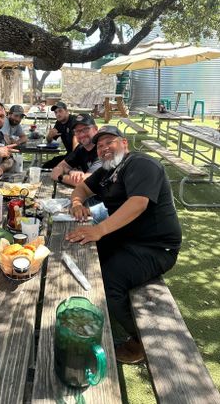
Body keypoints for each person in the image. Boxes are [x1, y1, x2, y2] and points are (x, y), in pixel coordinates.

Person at [66, 125, 182, 364]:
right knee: (82, 253)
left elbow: (138, 203)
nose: (104, 148)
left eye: (110, 142)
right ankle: (98, 312)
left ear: (125, 143)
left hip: (156, 248)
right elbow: (81, 188)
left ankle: (140, 341)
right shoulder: (108, 170)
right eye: (99, 146)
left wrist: (99, 229)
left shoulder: (141, 164)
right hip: (125, 238)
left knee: (110, 280)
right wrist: (77, 203)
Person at [42, 101, 78, 169]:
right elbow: (49, 141)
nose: (58, 114)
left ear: (67, 111)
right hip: (69, 156)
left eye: (60, 111)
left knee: (56, 169)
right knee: (46, 167)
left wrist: (70, 164)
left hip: (79, 157)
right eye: (56, 112)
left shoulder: (74, 121)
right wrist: (49, 136)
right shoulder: (59, 123)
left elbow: (76, 148)